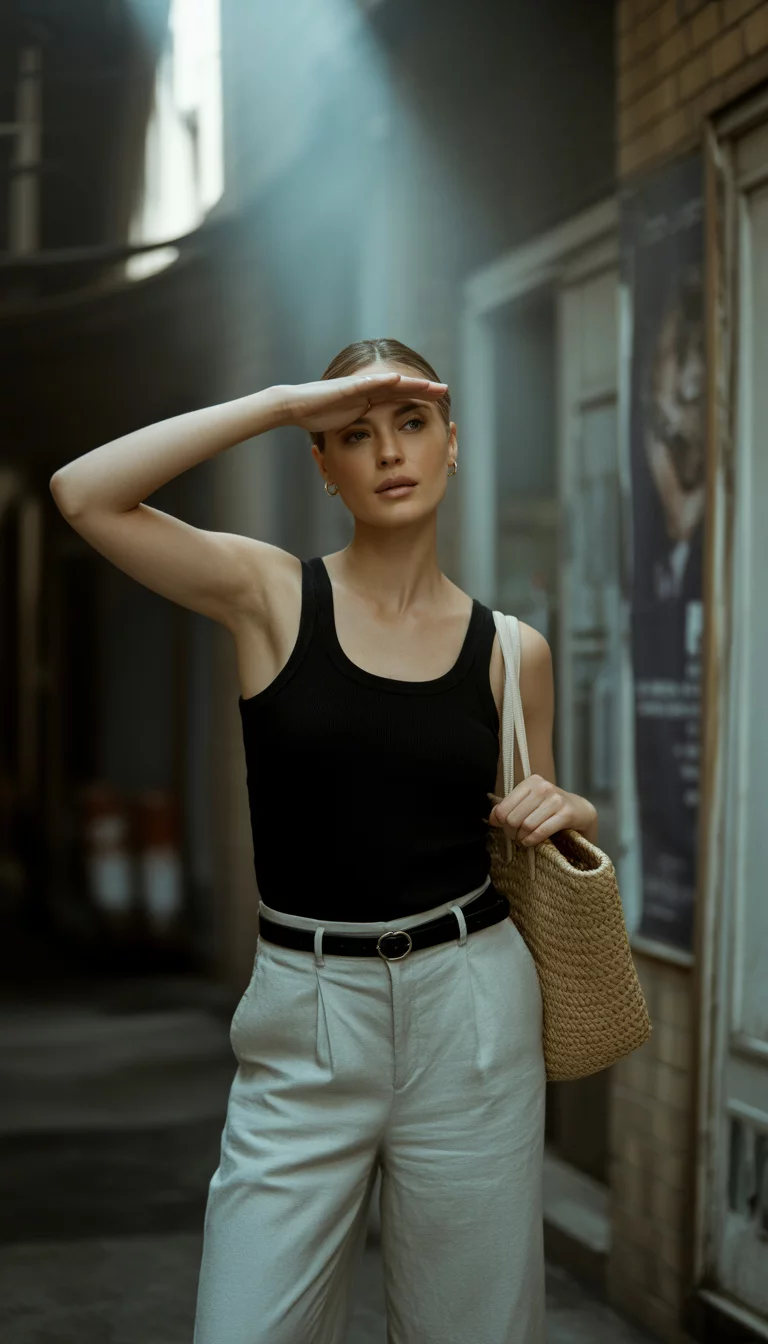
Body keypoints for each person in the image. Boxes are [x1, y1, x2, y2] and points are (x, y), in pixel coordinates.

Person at [50, 337, 599, 1344]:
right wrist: (283, 401)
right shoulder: (270, 596)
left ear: (451, 445)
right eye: (354, 433)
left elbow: (536, 813)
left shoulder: (511, 649)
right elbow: (84, 494)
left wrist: (576, 812)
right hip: (305, 1016)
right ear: (324, 461)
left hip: (470, 1011)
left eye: (411, 423)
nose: (388, 452)